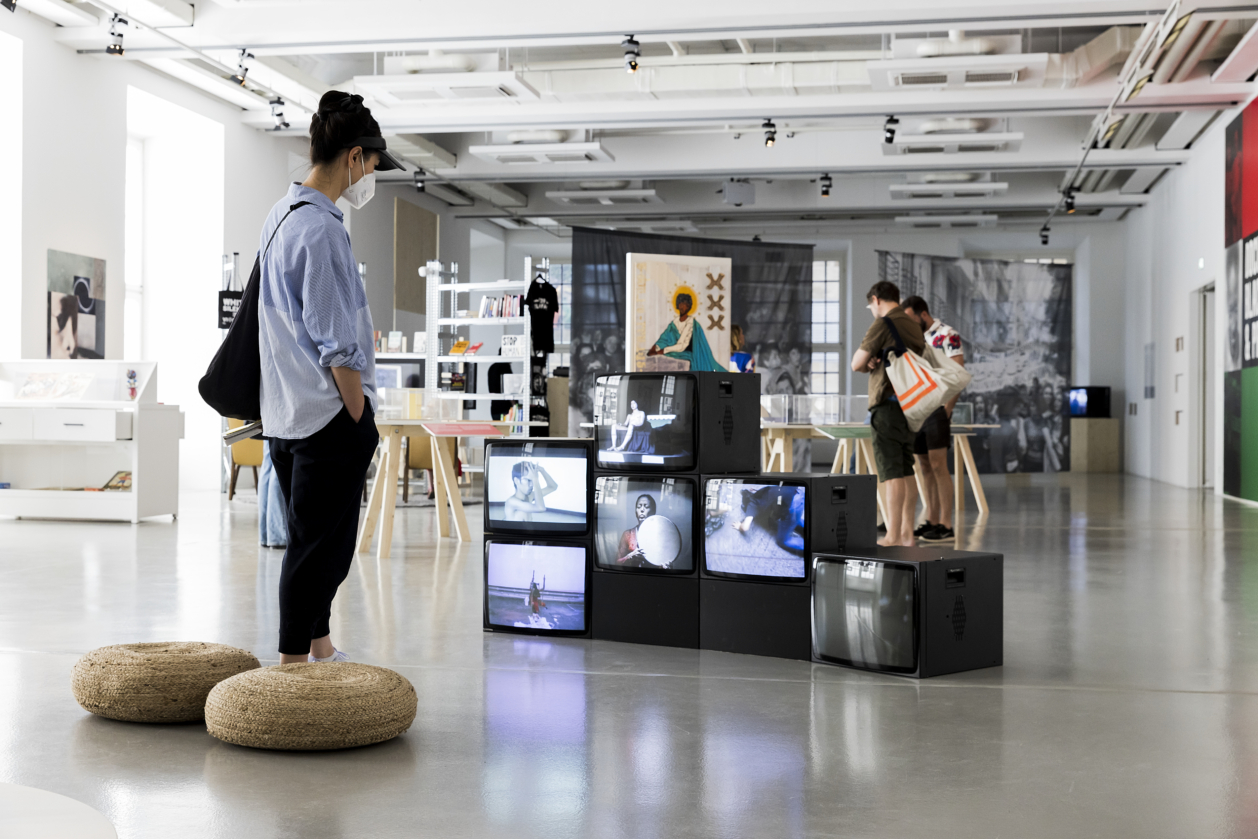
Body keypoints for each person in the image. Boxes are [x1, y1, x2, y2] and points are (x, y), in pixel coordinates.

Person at [259, 90, 406, 666]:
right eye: (372, 165)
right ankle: (292, 665)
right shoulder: (321, 229)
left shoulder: (280, 216)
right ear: (353, 157)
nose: (370, 177)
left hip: (285, 412)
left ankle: (318, 647)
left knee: (310, 540)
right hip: (325, 414)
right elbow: (336, 338)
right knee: (319, 551)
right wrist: (357, 412)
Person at [850, 281, 925, 547]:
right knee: (906, 469)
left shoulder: (883, 323)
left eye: (870, 305)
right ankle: (907, 534)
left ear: (876, 299)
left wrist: (868, 361)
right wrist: (877, 357)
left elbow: (856, 363)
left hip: (888, 405)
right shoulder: (912, 325)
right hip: (910, 405)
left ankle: (892, 535)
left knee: (891, 473)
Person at [901, 295, 965, 542]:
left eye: (910, 318)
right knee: (924, 466)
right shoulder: (913, 338)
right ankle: (932, 520)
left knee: (939, 465)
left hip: (937, 409)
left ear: (923, 314)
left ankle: (946, 525)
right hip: (918, 409)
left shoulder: (948, 335)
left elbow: (958, 373)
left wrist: (947, 410)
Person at [647, 292, 722, 371]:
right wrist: (654, 348)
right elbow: (664, 337)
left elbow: (682, 345)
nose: (682, 306)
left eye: (685, 304)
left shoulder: (691, 323)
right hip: (675, 351)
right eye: (681, 304)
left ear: (689, 306)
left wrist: (661, 351)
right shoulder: (674, 323)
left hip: (688, 353)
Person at [616, 494, 656, 566]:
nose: (642, 510)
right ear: (635, 512)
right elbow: (617, 562)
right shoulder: (627, 534)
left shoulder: (657, 535)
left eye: (646, 507)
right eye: (639, 507)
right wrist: (630, 556)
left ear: (653, 512)